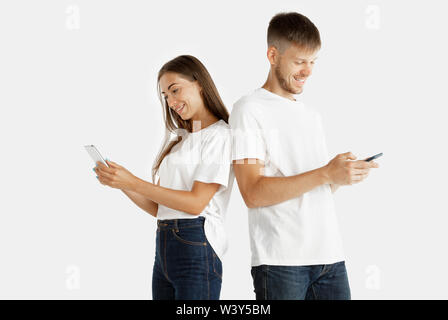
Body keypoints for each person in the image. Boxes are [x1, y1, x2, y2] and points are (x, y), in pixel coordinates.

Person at [229, 12, 380, 300]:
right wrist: (325, 173)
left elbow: (311, 187)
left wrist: (339, 176)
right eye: (299, 62)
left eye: (313, 62)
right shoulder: (248, 109)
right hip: (281, 264)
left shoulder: (311, 115)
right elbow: (252, 192)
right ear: (273, 55)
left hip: (330, 257)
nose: (308, 71)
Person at [93, 55, 234, 300]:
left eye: (175, 90)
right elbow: (160, 208)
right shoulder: (181, 140)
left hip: (196, 243)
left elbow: (195, 203)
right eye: (165, 96)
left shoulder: (219, 135)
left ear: (199, 83)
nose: (171, 101)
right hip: (165, 244)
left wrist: (132, 181)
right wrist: (121, 183)